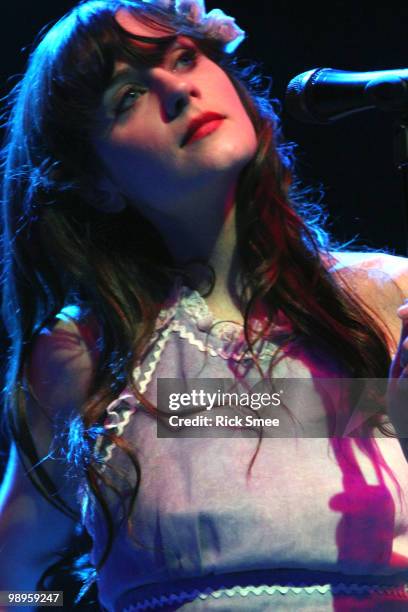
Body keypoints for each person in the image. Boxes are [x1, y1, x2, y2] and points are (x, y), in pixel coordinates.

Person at [1, 0, 408, 610]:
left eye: (184, 57)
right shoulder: (80, 356)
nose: (177, 89)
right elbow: (13, 584)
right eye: (128, 96)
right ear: (97, 184)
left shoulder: (386, 298)